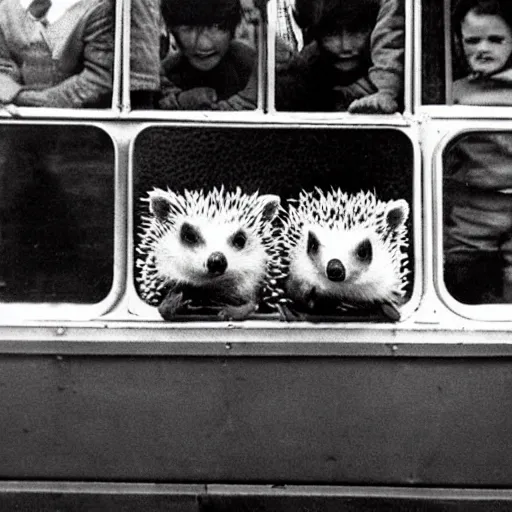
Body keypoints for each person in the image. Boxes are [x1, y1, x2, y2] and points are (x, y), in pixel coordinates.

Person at [444, 0, 512, 303]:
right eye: (472, 40)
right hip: (474, 210)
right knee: (462, 273)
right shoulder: (455, 92)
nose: (483, 48)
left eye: (496, 40)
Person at [275, 0, 404, 113]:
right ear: (314, 33)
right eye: (331, 33)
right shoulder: (301, 77)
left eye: (357, 31)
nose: (345, 47)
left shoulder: (397, 73)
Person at [0, 0, 114, 108]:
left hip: (78, 120)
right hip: (14, 117)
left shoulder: (99, 8)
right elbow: (3, 68)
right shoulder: (6, 8)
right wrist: (14, 95)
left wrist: (37, 101)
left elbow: (99, 79)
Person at [159, 0, 257, 110]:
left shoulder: (256, 70)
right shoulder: (164, 76)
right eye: (188, 28)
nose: (203, 45)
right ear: (171, 30)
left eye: (215, 26)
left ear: (234, 26)